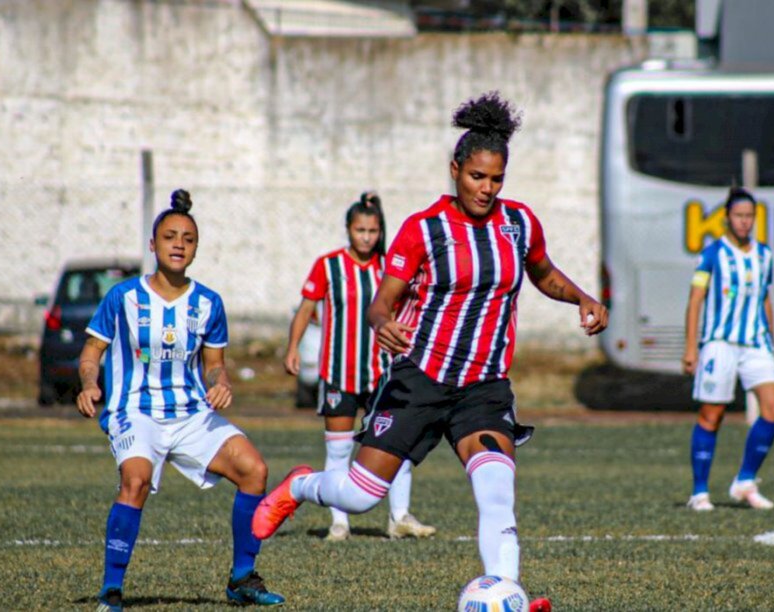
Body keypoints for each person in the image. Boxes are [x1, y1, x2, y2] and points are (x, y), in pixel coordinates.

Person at [251, 91, 607, 610]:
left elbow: (543, 273)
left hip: (483, 387)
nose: (486, 189)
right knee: (360, 494)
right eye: (476, 177)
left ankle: (508, 593)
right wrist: (382, 324)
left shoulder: (519, 223)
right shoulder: (424, 229)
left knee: (496, 492)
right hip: (419, 378)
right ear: (455, 170)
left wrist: (582, 297)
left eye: (496, 179)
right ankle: (302, 486)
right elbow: (382, 304)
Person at [76, 190, 285, 611]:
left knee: (254, 470)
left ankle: (242, 578)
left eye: (188, 239)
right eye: (170, 237)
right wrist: (88, 383)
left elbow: (214, 364)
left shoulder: (209, 302)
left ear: (195, 248)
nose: (178, 244)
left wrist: (220, 381)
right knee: (135, 481)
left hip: (190, 413)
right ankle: (112, 590)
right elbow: (91, 353)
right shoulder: (123, 297)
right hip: (135, 410)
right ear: (153, 245)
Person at [282, 191, 435, 542]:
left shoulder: (390, 267)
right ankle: (340, 521)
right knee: (338, 449)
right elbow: (306, 309)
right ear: (348, 229)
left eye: (372, 230)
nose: (366, 237)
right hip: (339, 373)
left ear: (380, 231)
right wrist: (292, 347)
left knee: (396, 445)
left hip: (383, 373)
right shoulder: (328, 265)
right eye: (360, 230)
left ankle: (399, 517)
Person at [681, 186, 774, 512]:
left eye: (749, 216)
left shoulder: (764, 255)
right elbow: (696, 300)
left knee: (773, 408)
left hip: (755, 343)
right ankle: (700, 492)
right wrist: (691, 348)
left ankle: (745, 480)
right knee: (712, 415)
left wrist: (771, 336)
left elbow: (765, 297)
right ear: (727, 218)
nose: (744, 222)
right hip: (719, 344)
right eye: (739, 216)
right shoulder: (713, 254)